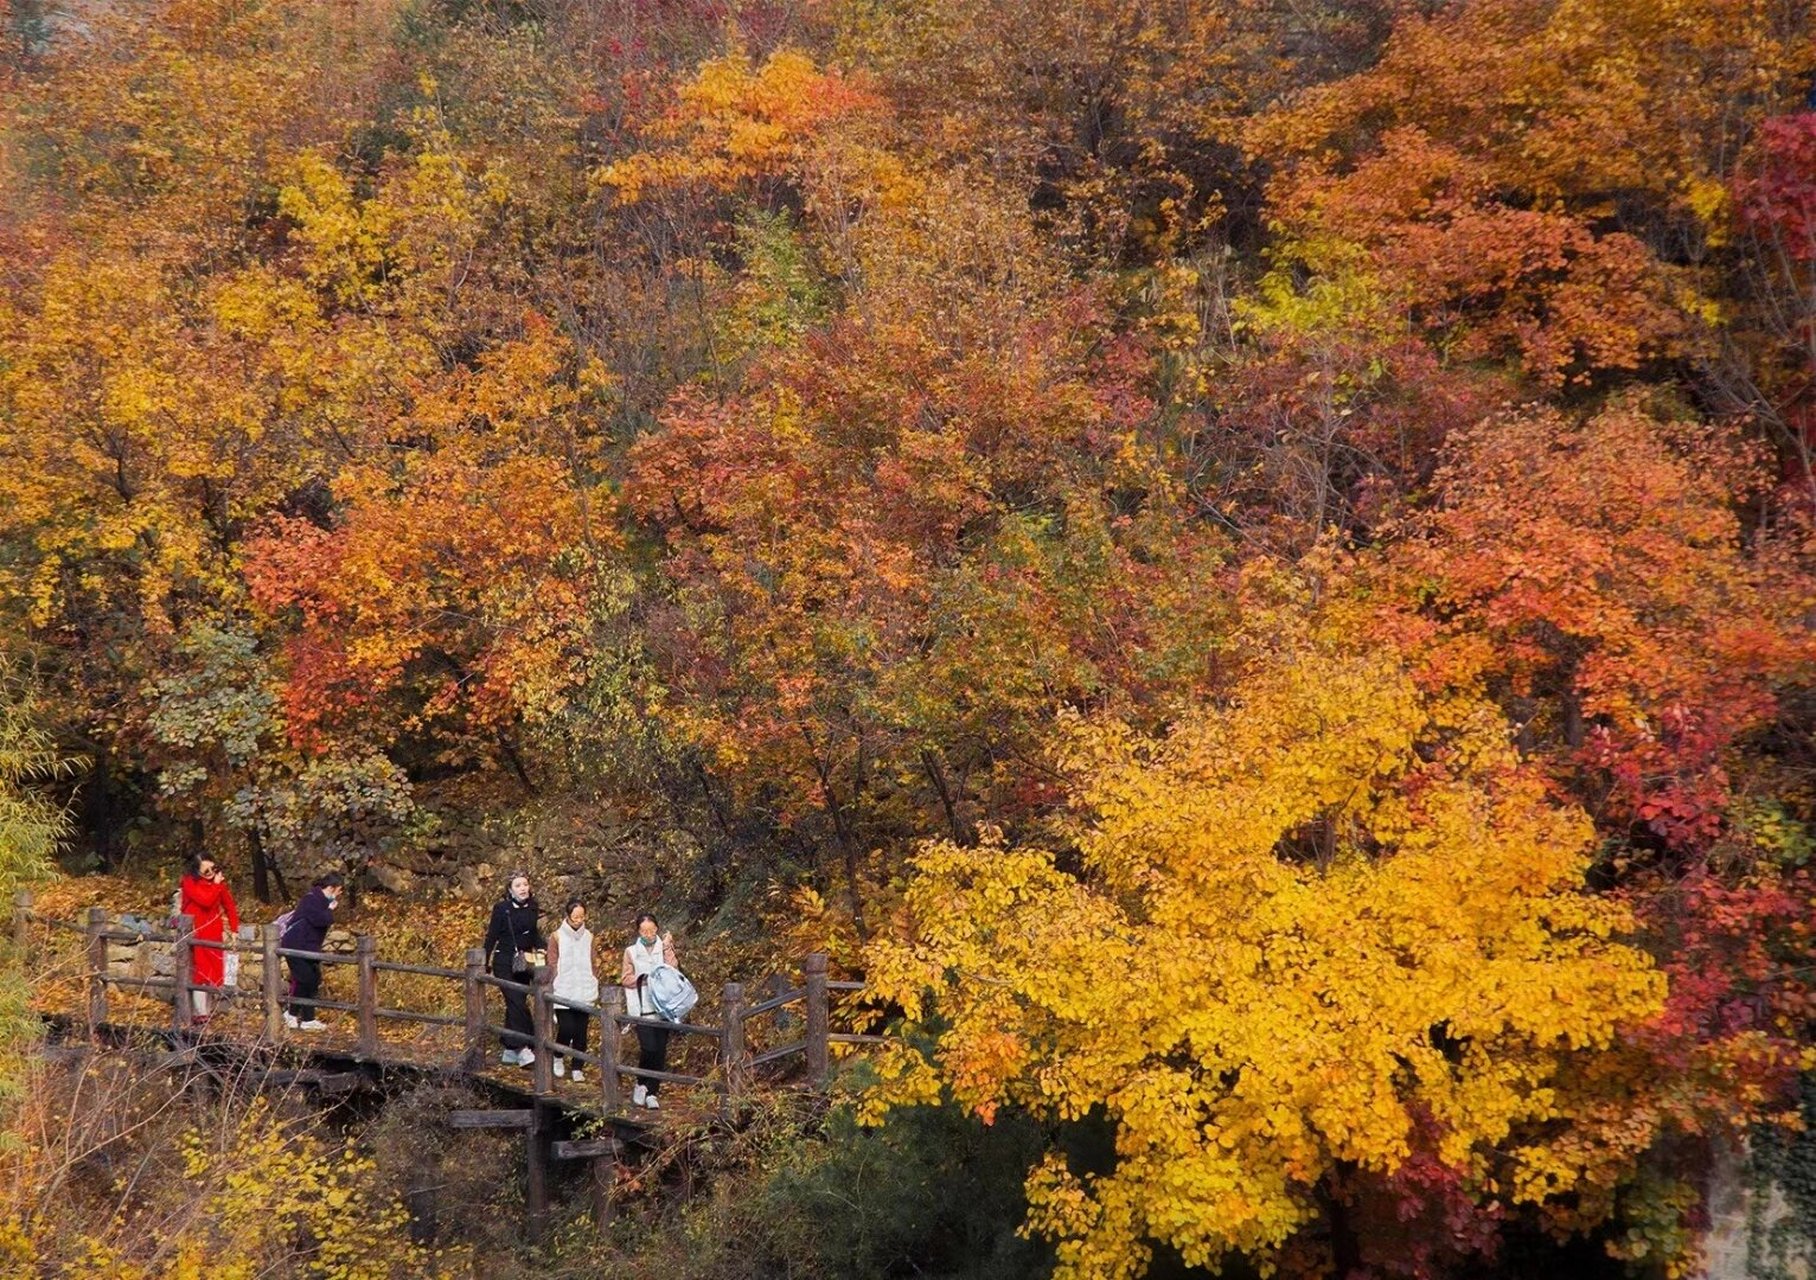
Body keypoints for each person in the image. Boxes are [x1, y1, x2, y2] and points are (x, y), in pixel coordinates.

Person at [483, 871, 544, 1067]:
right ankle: (523, 1047)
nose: (523, 888)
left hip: (523, 963)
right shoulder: (502, 909)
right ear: (510, 890)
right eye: (518, 885)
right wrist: (485, 960)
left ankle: (509, 1049)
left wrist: (544, 948)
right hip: (504, 960)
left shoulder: (533, 908)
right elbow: (492, 935)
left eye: (525, 884)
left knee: (517, 1002)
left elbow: (533, 934)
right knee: (516, 1000)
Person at [620, 913, 676, 1110]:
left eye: (652, 930)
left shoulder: (664, 946)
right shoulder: (631, 952)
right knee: (648, 1048)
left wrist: (668, 947)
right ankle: (641, 1083)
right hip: (642, 1008)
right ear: (638, 931)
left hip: (663, 1007)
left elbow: (674, 969)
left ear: (657, 929)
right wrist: (641, 978)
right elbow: (625, 978)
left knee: (660, 1051)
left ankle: (652, 1092)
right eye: (644, 931)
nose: (649, 934)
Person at [178, 855, 239, 1024]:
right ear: (197, 870)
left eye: (213, 868)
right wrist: (217, 886)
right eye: (206, 870)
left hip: (213, 931)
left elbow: (230, 906)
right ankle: (200, 1013)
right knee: (201, 972)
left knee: (214, 972)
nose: (211, 873)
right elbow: (206, 900)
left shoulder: (218, 885)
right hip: (196, 931)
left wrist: (234, 929)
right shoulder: (190, 882)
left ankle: (208, 1010)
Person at [280, 872, 344, 1031]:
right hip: (295, 946)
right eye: (338, 891)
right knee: (304, 979)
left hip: (309, 947)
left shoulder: (319, 901)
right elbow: (320, 920)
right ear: (331, 888)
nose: (339, 895)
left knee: (313, 979)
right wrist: (329, 909)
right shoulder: (311, 899)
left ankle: (308, 1019)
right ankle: (291, 1013)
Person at [546, 898, 598, 1084]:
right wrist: (555, 979)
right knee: (566, 1028)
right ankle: (558, 1056)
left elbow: (593, 961)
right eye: (575, 917)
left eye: (582, 916)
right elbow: (551, 962)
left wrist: (594, 978)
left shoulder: (589, 936)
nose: (579, 920)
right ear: (568, 916)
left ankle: (577, 1066)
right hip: (564, 987)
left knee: (581, 1033)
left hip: (584, 986)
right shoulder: (557, 936)